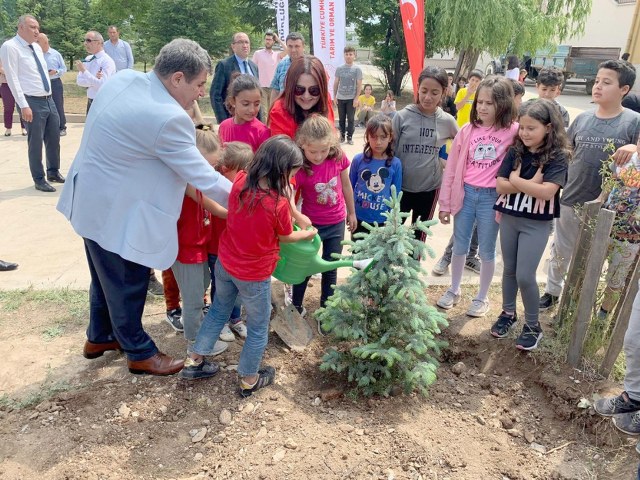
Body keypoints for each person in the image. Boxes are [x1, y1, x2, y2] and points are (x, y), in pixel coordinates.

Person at [56, 38, 233, 376]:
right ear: (177, 78)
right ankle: (139, 352)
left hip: (90, 199)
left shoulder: (124, 79)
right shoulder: (168, 118)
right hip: (116, 211)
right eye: (198, 85)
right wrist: (254, 203)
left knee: (103, 276)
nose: (200, 94)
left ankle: (100, 336)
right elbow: (204, 178)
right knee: (128, 279)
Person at [180, 136, 317, 397]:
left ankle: (194, 361)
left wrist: (295, 211)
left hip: (226, 262)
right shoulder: (275, 204)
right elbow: (286, 236)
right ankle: (249, 378)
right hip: (253, 275)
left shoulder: (242, 179)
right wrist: (307, 233)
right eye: (292, 173)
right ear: (281, 171)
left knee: (218, 309)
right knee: (257, 324)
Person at [539, 60, 640, 311]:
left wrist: (634, 147)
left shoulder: (633, 122)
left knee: (593, 260)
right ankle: (552, 292)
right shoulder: (582, 118)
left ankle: (581, 304)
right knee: (562, 251)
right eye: (597, 81)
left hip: (610, 210)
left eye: (606, 83)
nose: (598, 87)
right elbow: (566, 154)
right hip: (572, 197)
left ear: (624, 90)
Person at [491, 99, 570, 350]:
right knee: (509, 270)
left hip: (536, 223)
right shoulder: (515, 151)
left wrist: (516, 179)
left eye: (531, 128)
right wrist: (529, 183)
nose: (524, 133)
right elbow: (500, 185)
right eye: (522, 127)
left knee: (526, 275)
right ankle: (508, 314)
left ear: (548, 127)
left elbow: (547, 193)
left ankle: (533, 325)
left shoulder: (558, 156)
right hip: (510, 218)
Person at [437, 77, 519, 317]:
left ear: (503, 104)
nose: (482, 107)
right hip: (466, 194)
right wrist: (445, 203)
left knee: (486, 250)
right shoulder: (467, 131)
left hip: (491, 198)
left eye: (489, 103)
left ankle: (482, 297)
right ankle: (454, 289)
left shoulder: (513, 131)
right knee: (459, 245)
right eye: (479, 102)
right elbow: (452, 169)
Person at [291, 115, 357, 325]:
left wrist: (352, 212)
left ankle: (326, 310)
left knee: (331, 266)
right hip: (311, 226)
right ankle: (296, 307)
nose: (319, 156)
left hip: (336, 222)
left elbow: (346, 185)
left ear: (331, 144)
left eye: (323, 150)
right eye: (313, 151)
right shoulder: (300, 167)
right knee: (303, 267)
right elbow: (290, 196)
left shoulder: (338, 158)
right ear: (302, 145)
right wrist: (293, 218)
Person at [172, 124, 229, 357]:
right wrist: (240, 212)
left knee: (201, 287)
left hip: (199, 246)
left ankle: (198, 331)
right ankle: (195, 343)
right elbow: (214, 207)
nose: (211, 171)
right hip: (185, 250)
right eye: (206, 166)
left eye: (214, 166)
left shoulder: (199, 181)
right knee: (193, 298)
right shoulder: (187, 182)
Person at [392, 66, 458, 240]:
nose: (428, 97)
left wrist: (448, 163)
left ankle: (414, 267)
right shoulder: (401, 117)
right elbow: (389, 151)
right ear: (418, 88)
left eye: (435, 93)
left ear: (443, 92)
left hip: (429, 189)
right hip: (400, 188)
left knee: (418, 238)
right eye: (424, 91)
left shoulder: (447, 121)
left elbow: (463, 147)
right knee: (392, 235)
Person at [0, 15, 63, 192]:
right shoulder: (10, 47)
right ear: (21, 27)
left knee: (54, 138)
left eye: (37, 27)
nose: (37, 31)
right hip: (31, 101)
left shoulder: (35, 47)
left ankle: (53, 171)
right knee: (35, 141)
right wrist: (23, 104)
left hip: (48, 99)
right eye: (32, 27)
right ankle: (39, 178)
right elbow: (12, 78)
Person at [207, 141, 254, 342]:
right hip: (217, 249)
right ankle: (221, 322)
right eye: (242, 171)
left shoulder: (246, 189)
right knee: (220, 287)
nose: (247, 176)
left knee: (238, 288)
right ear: (226, 170)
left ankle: (235, 318)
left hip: (238, 250)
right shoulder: (219, 190)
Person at [596, 137, 640, 320]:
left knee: (616, 280)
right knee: (591, 267)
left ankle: (602, 317)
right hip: (606, 225)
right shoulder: (626, 158)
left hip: (632, 237)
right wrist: (600, 199)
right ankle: (578, 308)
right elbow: (612, 180)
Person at [349, 114, 402, 236]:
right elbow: (349, 187)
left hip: (383, 220)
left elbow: (396, 195)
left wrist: (393, 219)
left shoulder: (395, 164)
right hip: (359, 218)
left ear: (390, 138)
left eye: (383, 137)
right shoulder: (358, 160)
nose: (378, 142)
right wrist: (350, 213)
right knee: (357, 252)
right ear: (367, 136)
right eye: (373, 137)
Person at [269, 55, 335, 139]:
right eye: (299, 89)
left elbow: (332, 139)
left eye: (314, 90)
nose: (306, 96)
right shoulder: (279, 111)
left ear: (322, 90)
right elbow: (281, 151)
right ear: (291, 88)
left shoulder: (325, 99)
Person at [210, 32, 258, 124]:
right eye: (240, 42)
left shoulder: (254, 67)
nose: (244, 45)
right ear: (233, 46)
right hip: (232, 120)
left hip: (252, 121)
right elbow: (215, 95)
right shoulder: (224, 65)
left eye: (247, 42)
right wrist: (223, 121)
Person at [217, 74, 270, 152]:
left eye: (256, 104)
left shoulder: (262, 132)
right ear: (233, 101)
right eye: (246, 104)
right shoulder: (224, 126)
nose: (252, 110)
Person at [76, 31, 116, 114]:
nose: (85, 43)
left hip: (103, 102)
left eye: (88, 40)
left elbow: (102, 85)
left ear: (98, 43)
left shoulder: (106, 61)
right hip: (90, 101)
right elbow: (79, 81)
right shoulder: (88, 59)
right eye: (85, 41)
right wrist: (94, 79)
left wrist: (84, 71)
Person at [37, 33, 66, 136]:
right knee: (43, 106)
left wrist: (56, 71)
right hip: (41, 83)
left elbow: (64, 68)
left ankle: (62, 127)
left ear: (45, 42)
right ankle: (47, 128)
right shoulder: (37, 55)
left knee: (58, 105)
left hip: (54, 82)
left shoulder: (55, 54)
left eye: (38, 41)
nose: (36, 43)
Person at [333, 46, 363, 145]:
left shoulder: (357, 69)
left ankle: (350, 137)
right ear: (344, 55)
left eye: (350, 54)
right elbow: (336, 82)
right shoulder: (339, 68)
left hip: (351, 98)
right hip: (341, 97)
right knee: (341, 119)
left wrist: (356, 98)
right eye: (346, 54)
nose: (348, 56)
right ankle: (342, 136)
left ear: (354, 56)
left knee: (350, 119)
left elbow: (359, 84)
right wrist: (334, 96)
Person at [252, 31, 285, 118]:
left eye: (270, 40)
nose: (268, 41)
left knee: (273, 110)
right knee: (263, 112)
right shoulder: (258, 54)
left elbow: (288, 51)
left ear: (273, 42)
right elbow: (252, 68)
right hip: (261, 87)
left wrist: (278, 39)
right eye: (266, 39)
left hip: (274, 88)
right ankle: (264, 130)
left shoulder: (277, 55)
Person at [270, 32, 305, 103]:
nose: (293, 50)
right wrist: (271, 111)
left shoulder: (311, 65)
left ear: (303, 47)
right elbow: (275, 90)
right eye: (290, 46)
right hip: (283, 110)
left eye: (297, 46)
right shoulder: (281, 65)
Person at [0, 57, 27, 136]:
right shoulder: (2, 57)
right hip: (6, 85)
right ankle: (8, 128)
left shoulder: (19, 56)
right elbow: (1, 69)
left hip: (20, 84)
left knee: (22, 106)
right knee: (8, 108)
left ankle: (24, 127)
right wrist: (13, 74)